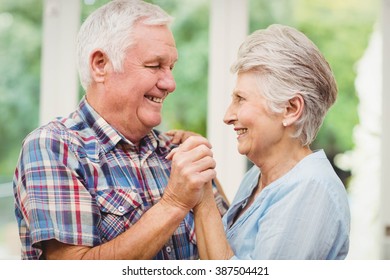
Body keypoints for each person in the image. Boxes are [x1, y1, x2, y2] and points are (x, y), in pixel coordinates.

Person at [13, 0, 228, 260]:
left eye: (171, 67)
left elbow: (234, 254)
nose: (170, 83)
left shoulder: (178, 154)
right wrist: (174, 204)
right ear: (101, 65)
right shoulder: (54, 146)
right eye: (154, 65)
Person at [180, 24, 351, 259]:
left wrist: (203, 193)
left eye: (241, 99)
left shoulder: (312, 189)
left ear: (291, 109)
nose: (228, 116)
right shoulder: (257, 178)